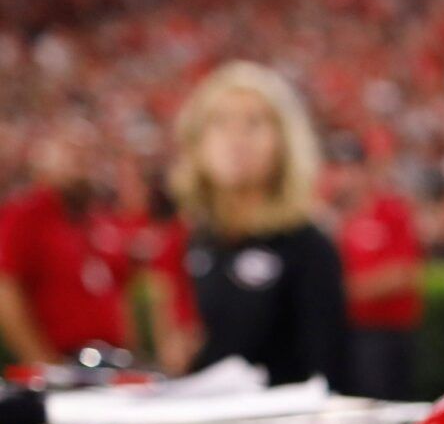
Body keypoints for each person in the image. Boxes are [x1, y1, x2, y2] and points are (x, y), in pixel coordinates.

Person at [169, 61, 348, 390]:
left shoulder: (307, 245)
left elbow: (326, 373)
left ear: (283, 142)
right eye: (220, 123)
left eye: (254, 123)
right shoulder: (196, 241)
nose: (235, 138)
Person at [0, 120, 129, 366]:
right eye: (71, 153)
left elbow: (118, 290)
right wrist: (41, 362)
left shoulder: (98, 220)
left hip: (110, 361)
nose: (82, 164)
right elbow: (6, 290)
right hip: (63, 363)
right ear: (43, 160)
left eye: (88, 155)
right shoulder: (24, 216)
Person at [330, 146, 423, 400]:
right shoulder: (334, 218)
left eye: (351, 169)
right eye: (339, 169)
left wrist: (345, 292)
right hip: (349, 332)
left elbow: (403, 274)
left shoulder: (391, 211)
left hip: (385, 333)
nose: (345, 177)